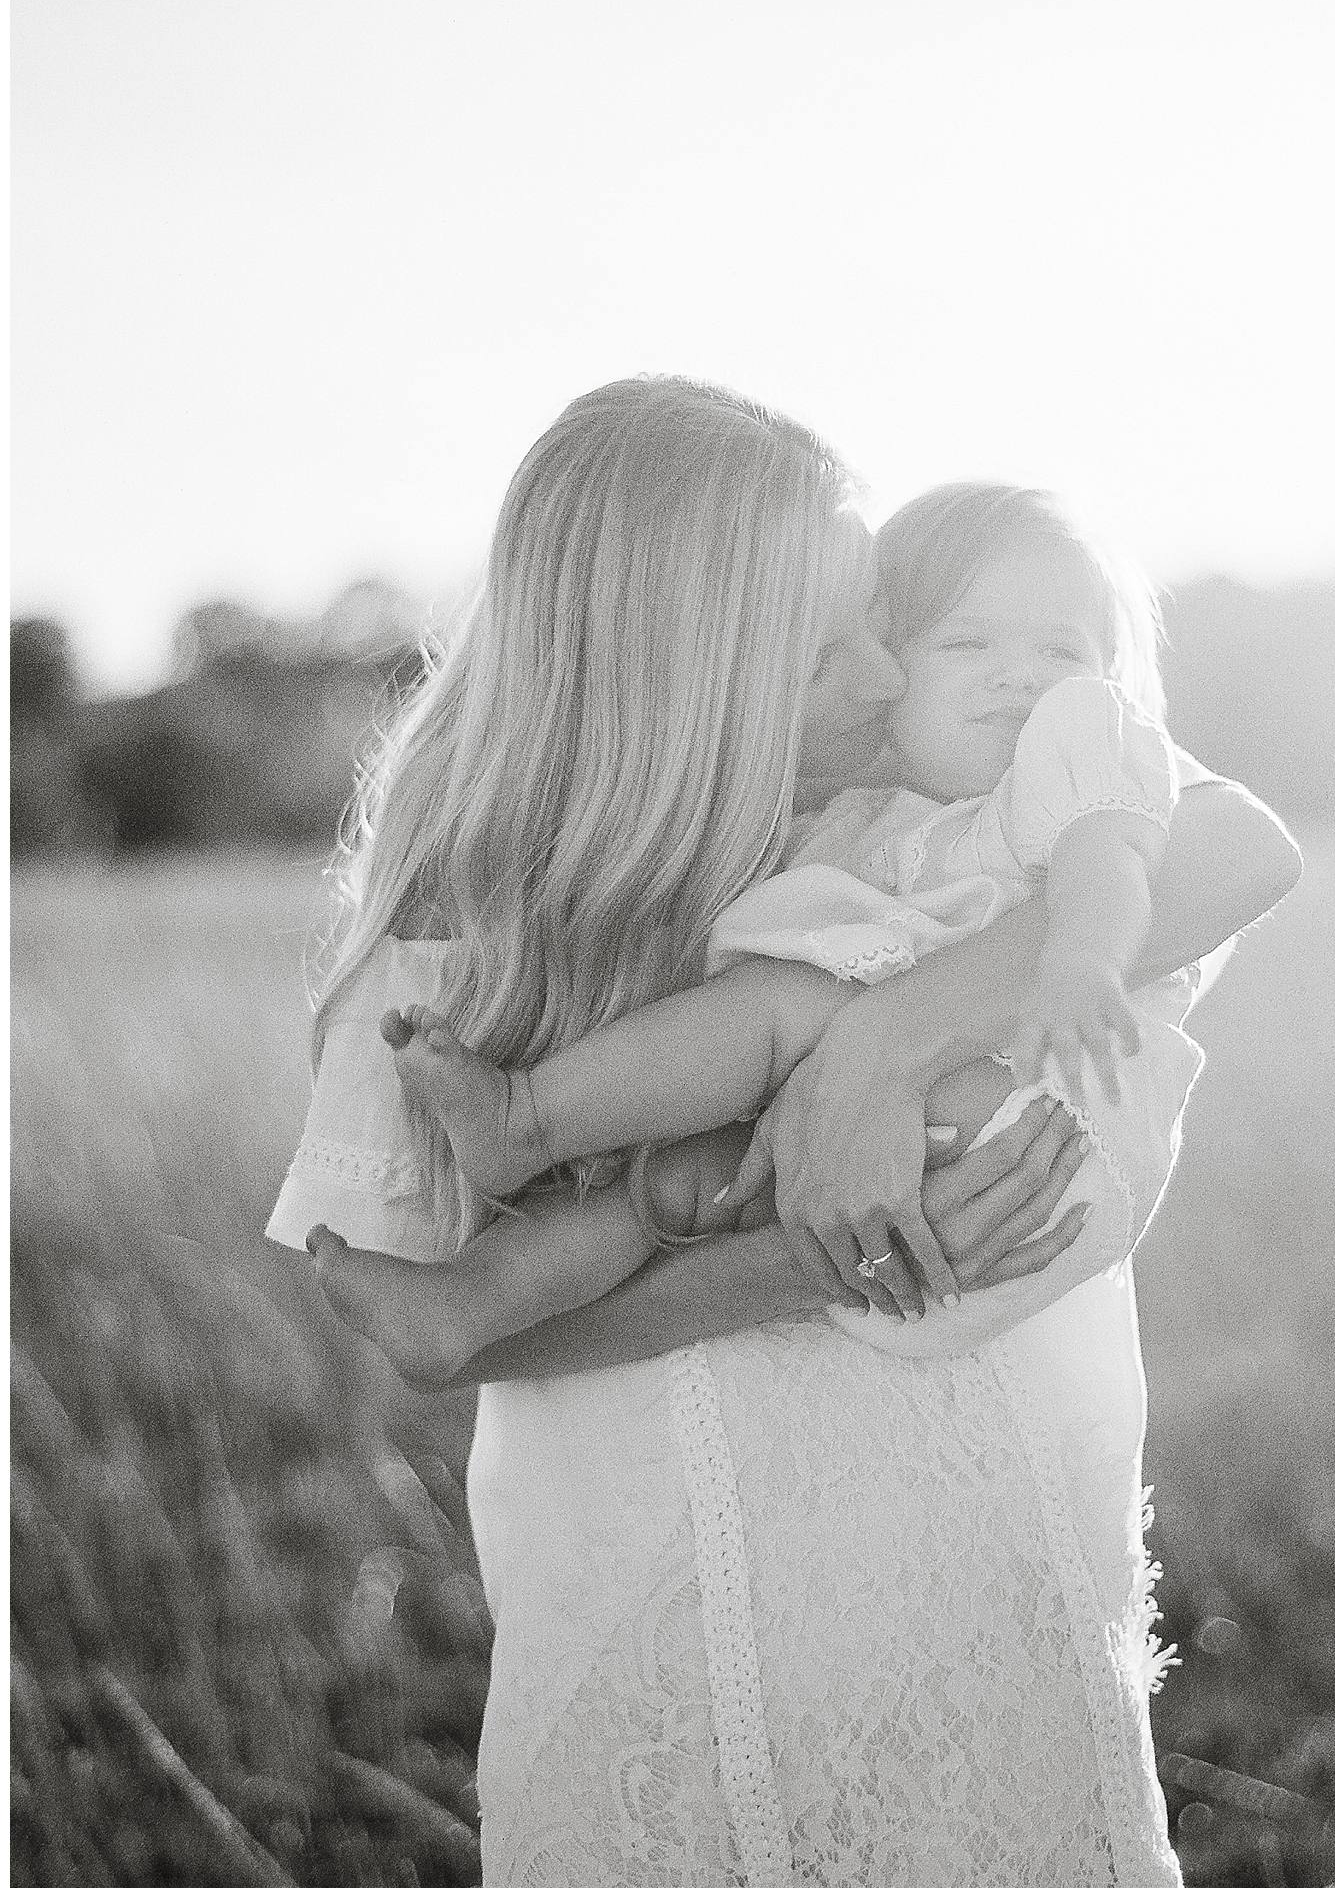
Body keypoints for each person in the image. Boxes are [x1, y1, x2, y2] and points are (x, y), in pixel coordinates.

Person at [267, 377, 1302, 1888]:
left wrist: (885, 1044)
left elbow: (1229, 841)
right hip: (665, 1660)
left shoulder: (899, 810)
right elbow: (445, 1328)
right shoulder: (443, 951)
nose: (893, 672)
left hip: (983, 1603)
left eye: (886, 622)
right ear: (689, 669)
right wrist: (801, 1255)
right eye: (840, 643)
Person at [314, 482, 1211, 1385]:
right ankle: (464, 1300)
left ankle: (530, 1118)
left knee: (778, 1007)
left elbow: (1135, 854)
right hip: (903, 1233)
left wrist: (1077, 961)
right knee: (670, 1183)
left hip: (1036, 1131)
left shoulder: (1075, 753)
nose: (1019, 675)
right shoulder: (854, 806)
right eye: (963, 642)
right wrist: (790, 1254)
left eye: (1061, 649)